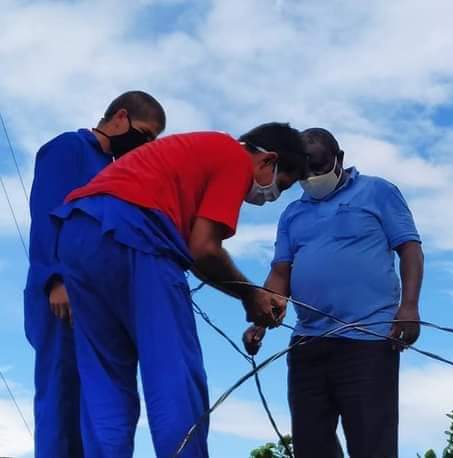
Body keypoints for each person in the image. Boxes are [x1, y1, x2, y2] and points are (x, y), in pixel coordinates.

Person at [51, 123, 307, 458]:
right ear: (267, 161)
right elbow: (204, 249)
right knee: (174, 375)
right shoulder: (233, 156)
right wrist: (251, 294)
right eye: (281, 185)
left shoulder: (189, 151)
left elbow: (193, 251)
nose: (272, 196)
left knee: (104, 380)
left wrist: (245, 292)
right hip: (137, 236)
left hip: (77, 237)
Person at [243, 128, 424, 458]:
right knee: (312, 447)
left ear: (339, 159)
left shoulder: (377, 191)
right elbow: (281, 272)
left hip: (367, 341)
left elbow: (410, 248)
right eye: (304, 171)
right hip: (308, 345)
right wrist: (261, 319)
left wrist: (409, 307)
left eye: (319, 167)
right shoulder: (292, 213)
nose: (312, 178)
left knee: (372, 445)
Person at [24, 90, 166, 458]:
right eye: (146, 135)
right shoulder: (69, 148)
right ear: (120, 118)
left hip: (100, 301)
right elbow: (45, 213)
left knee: (104, 402)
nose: (145, 146)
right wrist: (54, 279)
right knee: (61, 395)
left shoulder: (116, 171)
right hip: (63, 295)